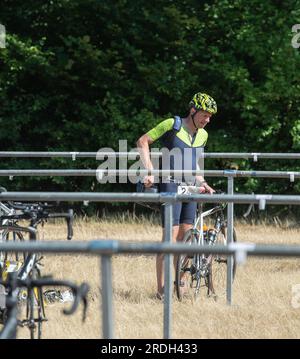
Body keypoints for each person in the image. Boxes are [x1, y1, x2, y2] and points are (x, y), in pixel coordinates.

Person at [136, 92, 217, 299]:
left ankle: (180, 284)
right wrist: (149, 170)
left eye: (210, 117)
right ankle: (161, 290)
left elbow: (195, 165)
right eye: (204, 115)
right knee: (169, 239)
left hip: (190, 187)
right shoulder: (173, 124)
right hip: (170, 184)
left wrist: (203, 182)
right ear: (193, 110)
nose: (207, 120)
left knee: (185, 239)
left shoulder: (203, 135)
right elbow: (143, 141)